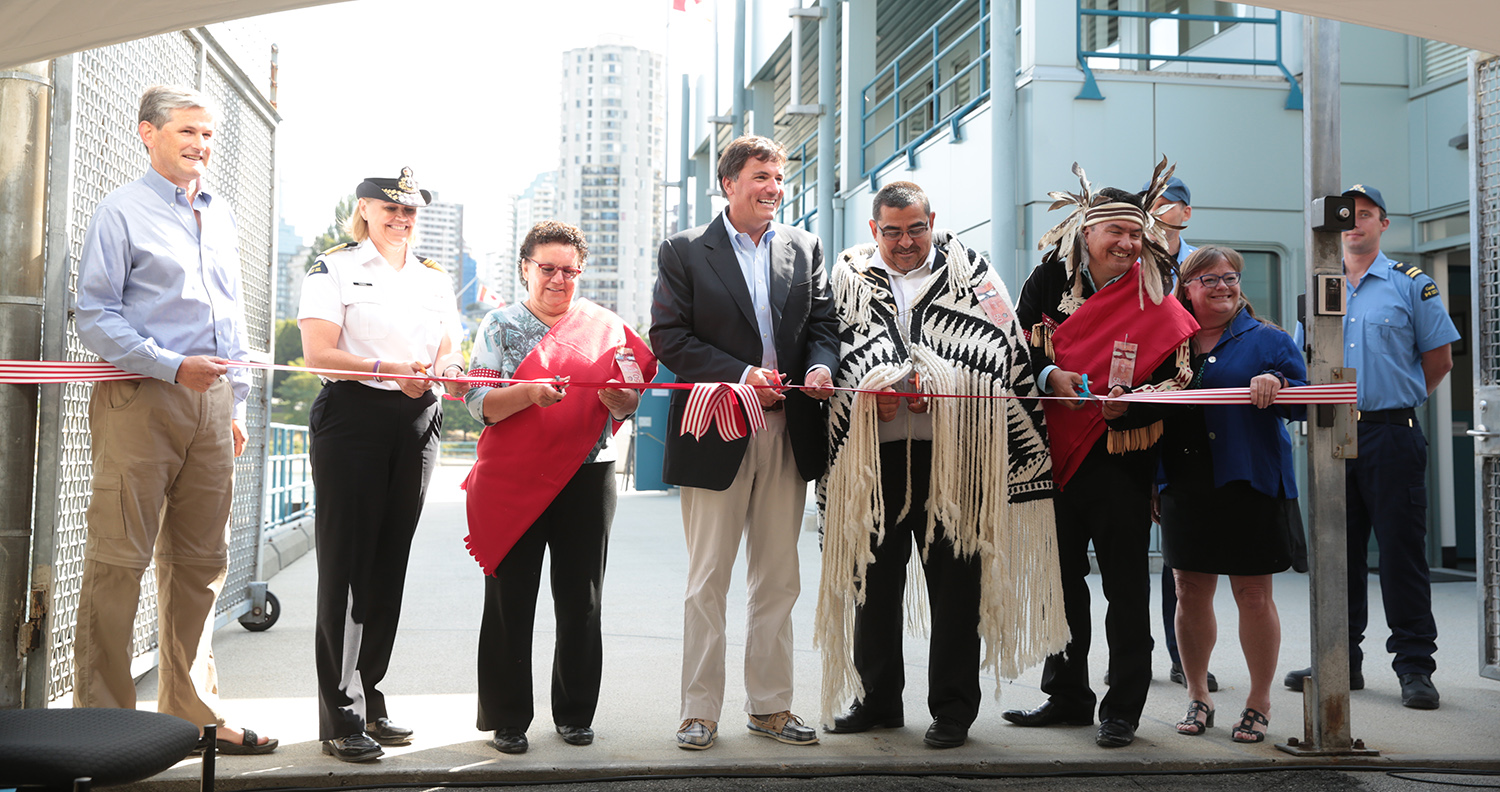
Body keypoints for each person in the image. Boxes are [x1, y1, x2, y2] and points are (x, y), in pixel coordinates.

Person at [816, 182, 1067, 749]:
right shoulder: (846, 280)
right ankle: (877, 700)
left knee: (956, 590)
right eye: (892, 231)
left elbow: (1005, 354)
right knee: (871, 585)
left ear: (933, 220)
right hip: (872, 461)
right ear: (873, 229)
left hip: (956, 460)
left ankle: (953, 710)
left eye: (915, 228)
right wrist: (865, 391)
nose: (905, 242)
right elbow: (830, 353)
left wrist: (950, 384)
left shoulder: (975, 276)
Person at [71, 84, 275, 756]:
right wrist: (168, 365)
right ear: (147, 134)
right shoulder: (120, 212)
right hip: (142, 398)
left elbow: (234, 315)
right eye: (188, 132)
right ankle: (103, 725)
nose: (201, 145)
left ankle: (194, 717)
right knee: (117, 560)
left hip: (213, 405)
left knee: (201, 562)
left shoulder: (219, 214)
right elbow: (95, 315)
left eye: (209, 134)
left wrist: (236, 400)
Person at [650, 134, 840, 751]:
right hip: (717, 427)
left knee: (779, 577)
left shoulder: (803, 247)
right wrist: (739, 374)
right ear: (728, 184)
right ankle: (698, 711)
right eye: (761, 177)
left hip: (788, 428)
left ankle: (771, 708)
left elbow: (821, 327)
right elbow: (668, 338)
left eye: (779, 178)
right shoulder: (684, 251)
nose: (773, 189)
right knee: (708, 578)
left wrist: (818, 367)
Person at [1003, 163, 1198, 748]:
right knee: (1060, 588)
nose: (1126, 243)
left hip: (1120, 460)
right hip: (1051, 456)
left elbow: (1180, 379)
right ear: (1084, 233)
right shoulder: (1045, 282)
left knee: (1125, 589)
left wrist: (1130, 409)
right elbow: (1012, 350)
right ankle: (1066, 697)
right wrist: (1048, 371)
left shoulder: (1157, 290)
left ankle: (1123, 708)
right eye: (1115, 231)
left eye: (1135, 234)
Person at [462, 221, 657, 755]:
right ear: (525, 268)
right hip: (512, 478)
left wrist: (622, 401)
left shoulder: (606, 326)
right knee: (511, 601)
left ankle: (574, 713)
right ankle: (507, 719)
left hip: (588, 474)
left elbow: (629, 401)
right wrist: (526, 393)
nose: (558, 279)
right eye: (546, 268)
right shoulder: (498, 326)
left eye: (569, 270)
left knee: (582, 599)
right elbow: (479, 404)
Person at [298, 167, 466, 762]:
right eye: (390, 209)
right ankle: (339, 714)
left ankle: (370, 694)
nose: (402, 219)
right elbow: (318, 352)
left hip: (418, 420)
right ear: (364, 209)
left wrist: (445, 368)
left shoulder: (433, 278)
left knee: (389, 562)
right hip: (355, 417)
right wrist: (381, 371)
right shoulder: (334, 268)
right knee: (347, 563)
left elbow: (448, 346)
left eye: (411, 211)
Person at [1285, 184, 1459, 710]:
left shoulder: (1412, 285)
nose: (1355, 223)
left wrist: (1391, 404)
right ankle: (1340, 661)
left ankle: (1414, 668)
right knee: (1337, 552)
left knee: (1402, 555)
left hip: (1390, 435)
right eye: (1347, 216)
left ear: (1384, 224)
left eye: (1365, 215)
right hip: (1329, 433)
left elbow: (1439, 362)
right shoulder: (1320, 287)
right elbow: (1300, 360)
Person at [1159, 246, 1306, 743]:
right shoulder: (1167, 341)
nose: (1223, 286)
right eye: (1208, 279)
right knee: (1189, 590)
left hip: (1249, 481)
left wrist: (1279, 381)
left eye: (1230, 278)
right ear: (1187, 287)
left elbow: (1307, 406)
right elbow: (1152, 415)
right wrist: (1156, 483)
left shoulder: (1269, 340)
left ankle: (1258, 702)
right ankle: (1197, 694)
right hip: (1185, 481)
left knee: (1252, 594)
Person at [1137, 174, 1217, 694]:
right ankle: (1130, 657)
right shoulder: (1129, 258)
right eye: (1158, 204)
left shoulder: (1201, 267)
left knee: (1180, 556)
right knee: (1125, 551)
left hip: (1183, 417)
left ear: (1187, 213)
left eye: (1174, 204)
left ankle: (1182, 657)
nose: (1166, 211)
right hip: (1134, 411)